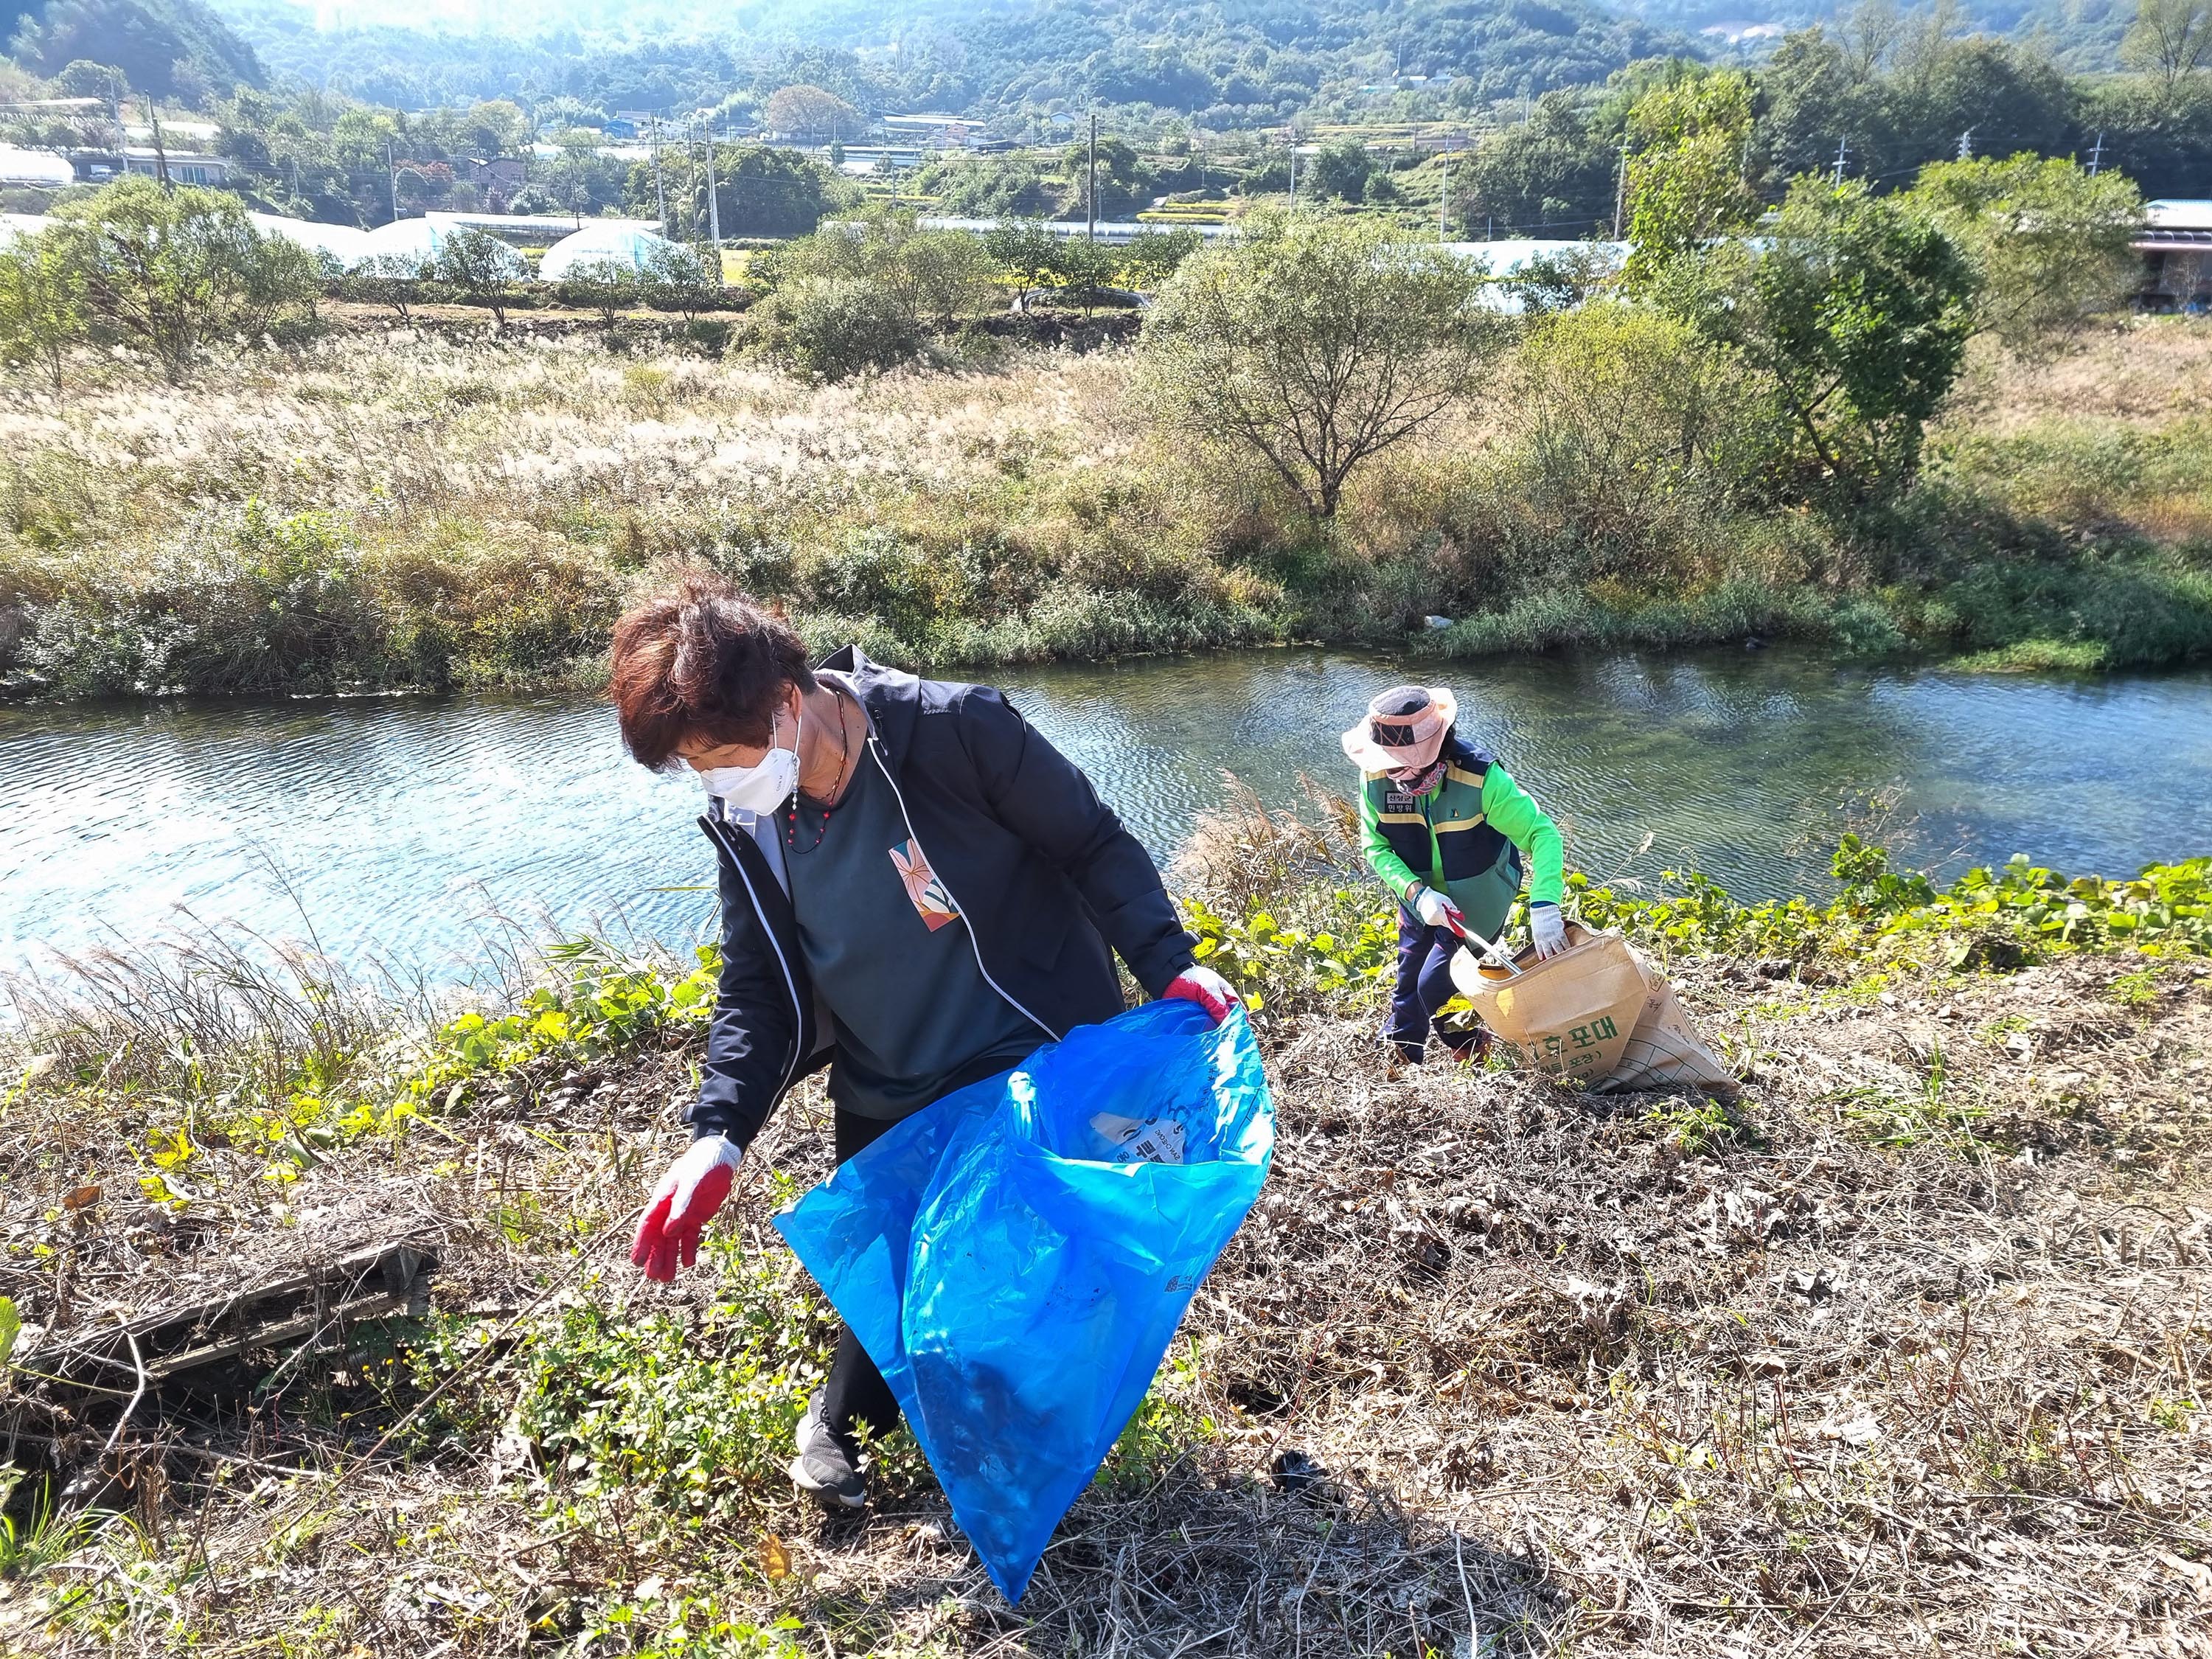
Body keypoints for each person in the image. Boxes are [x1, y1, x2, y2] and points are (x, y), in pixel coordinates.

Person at [608, 577, 1240, 1512]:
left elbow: (1090, 841)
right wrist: (718, 1134)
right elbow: (757, 988)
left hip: (1023, 1047)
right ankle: (844, 1423)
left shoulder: (952, 729)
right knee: (896, 1255)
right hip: (887, 1070)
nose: (718, 784)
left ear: (787, 703)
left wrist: (1168, 959)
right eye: (699, 770)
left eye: (724, 758)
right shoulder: (750, 816)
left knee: (1031, 1255)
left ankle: (1034, 1428)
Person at [1341, 684, 1568, 1066]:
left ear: (1430, 755)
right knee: (1408, 980)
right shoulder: (1376, 776)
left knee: (1436, 988)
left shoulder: (1482, 779)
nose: (1385, 772)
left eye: (1396, 765)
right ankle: (1402, 1052)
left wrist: (1545, 906)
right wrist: (1417, 894)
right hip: (1418, 900)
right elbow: (1375, 847)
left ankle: (1472, 1050)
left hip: (1478, 902)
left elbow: (1541, 835)